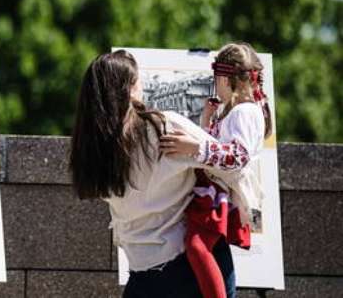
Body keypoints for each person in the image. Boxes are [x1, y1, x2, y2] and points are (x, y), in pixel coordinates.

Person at [70, 50, 243, 297]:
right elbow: (234, 163)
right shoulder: (162, 127)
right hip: (192, 264)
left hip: (142, 275)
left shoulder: (93, 148)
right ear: (129, 89)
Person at [159, 43, 270, 298]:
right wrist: (207, 123)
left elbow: (237, 157)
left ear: (224, 78)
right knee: (205, 248)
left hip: (221, 192)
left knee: (197, 247)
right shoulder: (235, 111)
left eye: (216, 79)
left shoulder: (244, 112)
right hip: (216, 188)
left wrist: (195, 147)